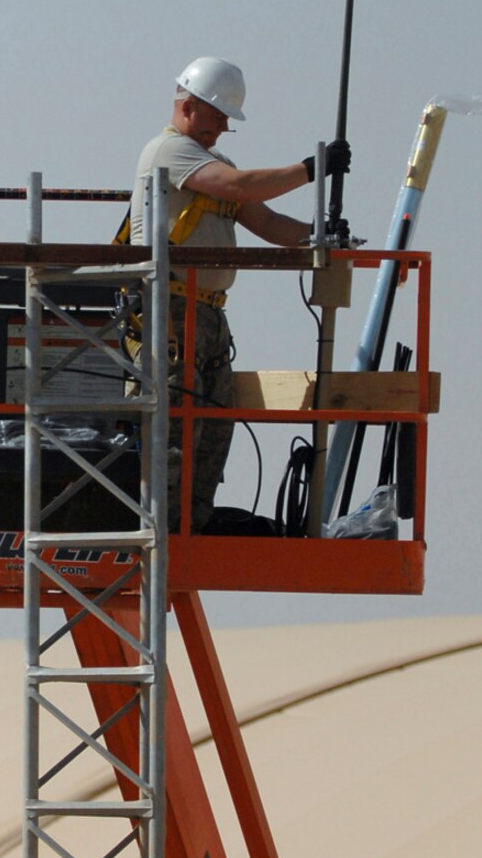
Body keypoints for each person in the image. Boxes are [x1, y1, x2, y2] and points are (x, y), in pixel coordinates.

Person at [131, 57, 349, 532]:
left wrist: (320, 234)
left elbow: (264, 221)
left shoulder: (210, 163)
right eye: (218, 115)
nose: (225, 127)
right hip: (168, 312)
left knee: (212, 425)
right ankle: (164, 527)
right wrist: (312, 169)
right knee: (173, 427)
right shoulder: (169, 153)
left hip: (205, 316)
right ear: (188, 107)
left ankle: (191, 520)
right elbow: (238, 187)